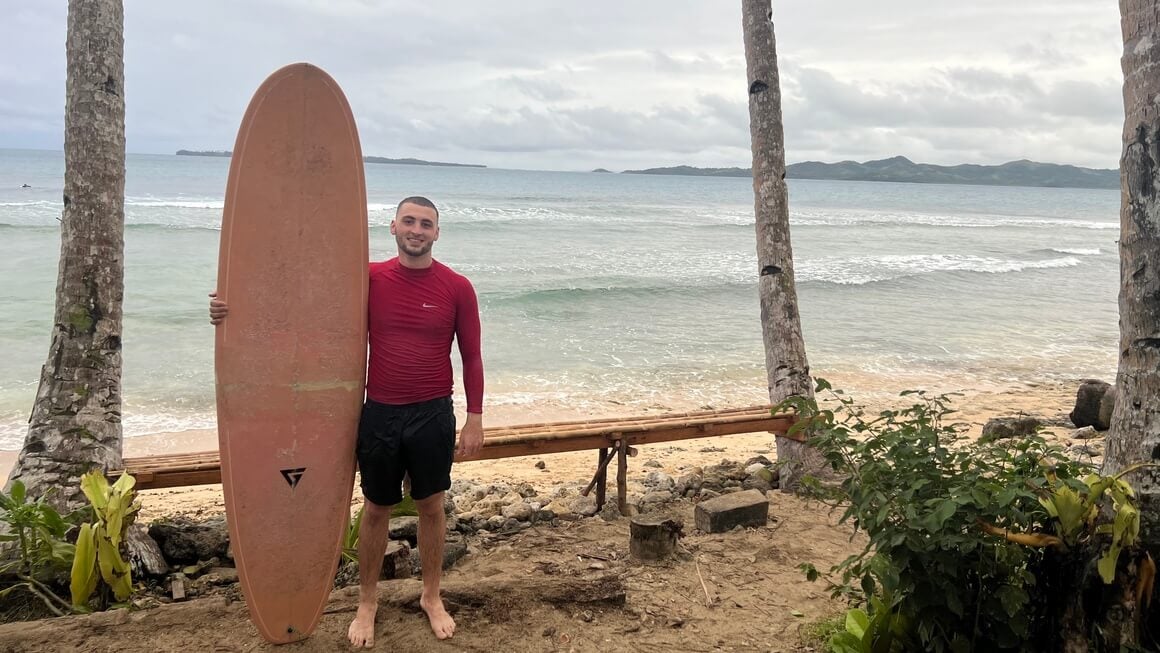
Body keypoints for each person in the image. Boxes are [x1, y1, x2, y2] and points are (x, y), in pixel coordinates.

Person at [209, 196, 484, 646]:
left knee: (431, 506)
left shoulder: (457, 287)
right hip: (378, 413)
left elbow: (471, 356)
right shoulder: (369, 279)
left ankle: (431, 596)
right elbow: (302, 308)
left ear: (437, 233)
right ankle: (366, 603)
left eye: (426, 224)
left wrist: (474, 419)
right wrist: (231, 310)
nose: (417, 230)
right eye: (409, 221)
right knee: (376, 509)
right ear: (393, 227)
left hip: (433, 412)